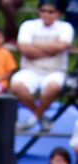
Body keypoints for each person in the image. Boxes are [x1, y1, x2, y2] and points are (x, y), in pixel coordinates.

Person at [11, 0, 74, 133]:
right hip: (30, 70)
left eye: (51, 12)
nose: (46, 14)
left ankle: (34, 118)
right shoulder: (28, 25)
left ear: (59, 14)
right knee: (16, 85)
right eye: (43, 11)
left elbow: (62, 46)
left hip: (55, 71)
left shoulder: (66, 27)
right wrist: (52, 49)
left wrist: (33, 47)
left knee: (53, 86)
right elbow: (23, 48)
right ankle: (40, 116)